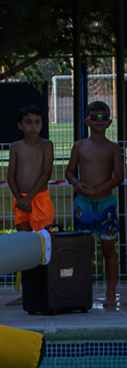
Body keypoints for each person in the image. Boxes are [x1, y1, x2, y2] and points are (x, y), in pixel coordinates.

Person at [66, 100, 124, 309]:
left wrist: (98, 189)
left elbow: (119, 176)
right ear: (87, 121)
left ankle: (110, 293)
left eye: (104, 117)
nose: (99, 120)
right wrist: (77, 183)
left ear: (109, 122)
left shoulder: (114, 148)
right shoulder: (79, 146)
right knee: (84, 251)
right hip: (83, 205)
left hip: (105, 206)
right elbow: (69, 172)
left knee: (109, 250)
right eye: (95, 116)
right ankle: (82, 290)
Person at [6, 105, 56, 306]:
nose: (33, 127)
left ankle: (47, 288)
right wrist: (20, 199)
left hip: (39, 201)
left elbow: (46, 174)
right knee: (25, 247)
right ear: (20, 125)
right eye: (28, 122)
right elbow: (10, 176)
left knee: (44, 246)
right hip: (21, 202)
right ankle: (27, 292)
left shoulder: (46, 145)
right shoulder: (16, 147)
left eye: (37, 122)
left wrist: (29, 199)